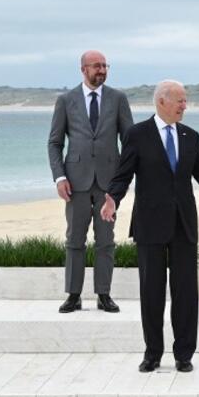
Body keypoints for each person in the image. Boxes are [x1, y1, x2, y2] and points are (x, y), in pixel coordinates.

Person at [102, 80, 199, 373]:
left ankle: (184, 354)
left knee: (186, 293)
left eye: (185, 101)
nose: (184, 106)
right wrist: (113, 198)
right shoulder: (137, 135)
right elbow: (123, 175)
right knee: (151, 293)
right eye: (180, 100)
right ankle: (152, 353)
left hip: (184, 225)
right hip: (150, 225)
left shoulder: (191, 136)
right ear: (162, 101)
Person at [47, 50, 134, 315]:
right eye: (97, 66)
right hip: (76, 183)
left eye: (105, 65)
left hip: (109, 183)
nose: (102, 70)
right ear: (83, 69)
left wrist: (122, 182)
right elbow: (55, 142)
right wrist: (59, 176)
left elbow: (129, 141)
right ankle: (73, 296)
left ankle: (104, 294)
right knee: (74, 239)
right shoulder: (66, 100)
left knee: (106, 240)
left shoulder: (118, 99)